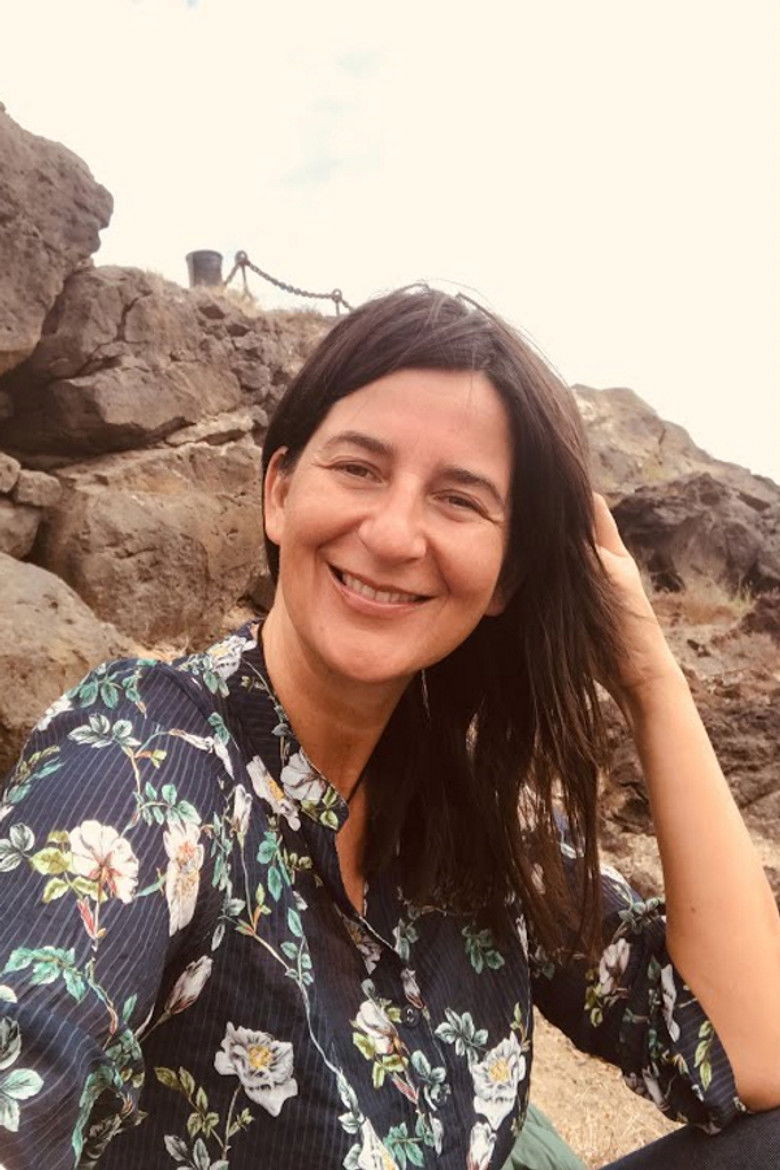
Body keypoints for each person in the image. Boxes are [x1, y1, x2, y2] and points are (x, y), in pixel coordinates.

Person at [0, 286, 778, 1170]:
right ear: (279, 493)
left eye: (458, 500)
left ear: (507, 577)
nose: (395, 533)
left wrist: (650, 677)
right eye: (359, 469)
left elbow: (754, 1052)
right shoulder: (145, 760)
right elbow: (28, 1035)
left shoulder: (477, 810)